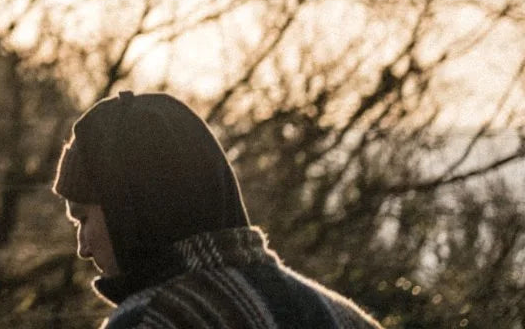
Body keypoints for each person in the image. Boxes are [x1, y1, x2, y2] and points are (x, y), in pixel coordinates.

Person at [53, 90, 383, 328]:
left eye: (83, 218)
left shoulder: (151, 320)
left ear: (129, 210)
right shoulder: (342, 317)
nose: (82, 247)